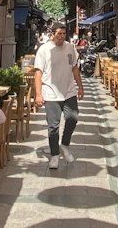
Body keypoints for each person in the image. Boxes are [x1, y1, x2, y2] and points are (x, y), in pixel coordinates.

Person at [33, 24, 84, 170]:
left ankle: (65, 144)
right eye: (59, 34)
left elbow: (74, 67)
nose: (61, 36)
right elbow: (38, 72)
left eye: (63, 33)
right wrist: (38, 94)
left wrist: (80, 86)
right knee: (53, 127)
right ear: (52, 35)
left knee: (72, 118)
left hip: (69, 92)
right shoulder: (44, 50)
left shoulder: (70, 48)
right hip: (50, 93)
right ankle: (54, 155)